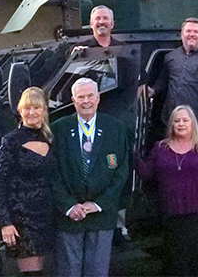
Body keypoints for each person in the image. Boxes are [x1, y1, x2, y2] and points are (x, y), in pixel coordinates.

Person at [136, 105, 198, 276]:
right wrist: (131, 154)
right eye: (177, 120)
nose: (181, 124)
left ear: (192, 123)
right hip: (174, 216)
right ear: (171, 124)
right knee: (176, 265)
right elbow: (146, 172)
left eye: (185, 120)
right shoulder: (160, 149)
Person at [52, 77, 128, 277]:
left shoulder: (115, 128)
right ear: (73, 100)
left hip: (101, 216)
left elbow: (121, 172)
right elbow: (52, 173)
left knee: (97, 272)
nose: (86, 101)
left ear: (98, 97)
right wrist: (69, 205)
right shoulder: (58, 129)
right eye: (81, 97)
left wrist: (99, 204)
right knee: (68, 272)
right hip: (69, 216)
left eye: (90, 96)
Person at [0, 87, 56, 277]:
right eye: (27, 108)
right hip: (22, 220)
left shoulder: (50, 138)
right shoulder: (10, 141)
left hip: (48, 216)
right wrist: (5, 223)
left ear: (44, 110)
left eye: (36, 108)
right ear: (20, 111)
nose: (32, 113)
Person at [151, 17, 198, 140]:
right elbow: (163, 81)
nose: (192, 34)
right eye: (188, 31)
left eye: (196, 32)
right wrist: (151, 91)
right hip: (170, 120)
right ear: (182, 34)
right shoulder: (170, 57)